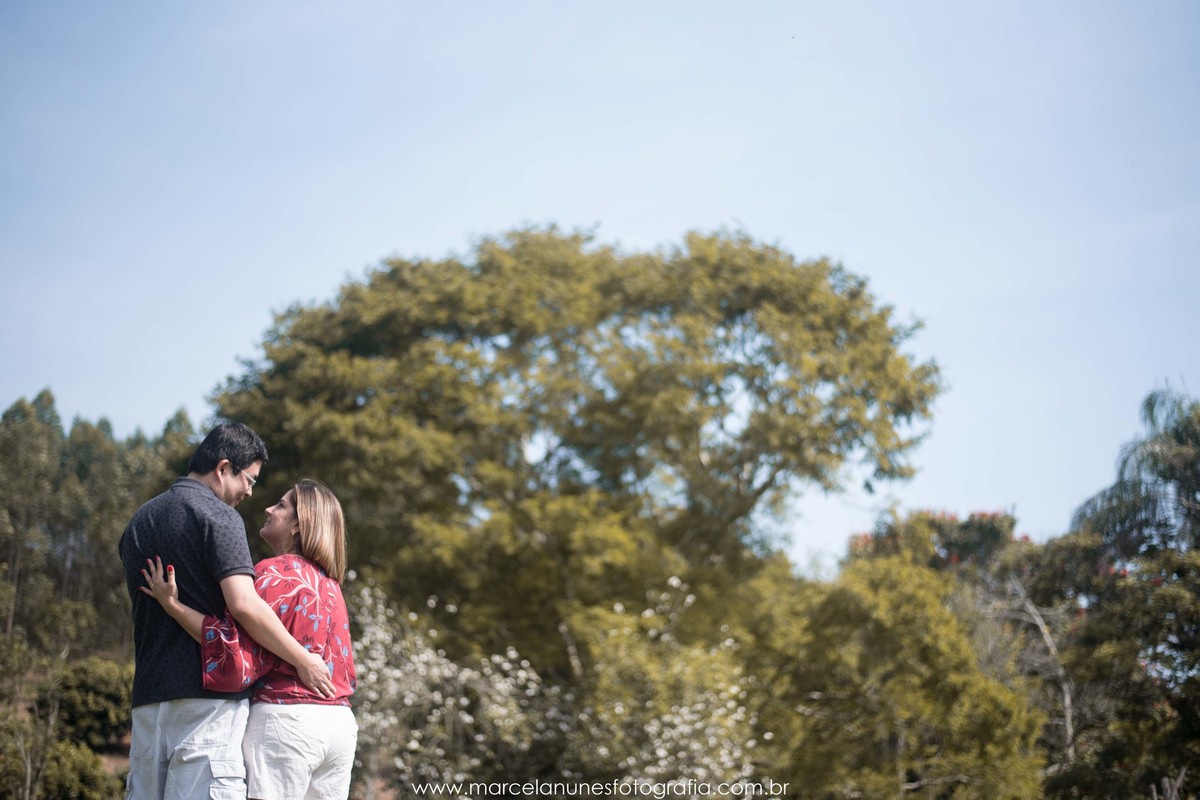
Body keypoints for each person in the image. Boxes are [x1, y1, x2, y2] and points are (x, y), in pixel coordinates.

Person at [120, 423, 335, 800]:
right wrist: (303, 660)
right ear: (223, 469)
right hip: (206, 705)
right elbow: (244, 603)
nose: (251, 493)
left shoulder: (138, 522)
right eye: (248, 480)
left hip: (149, 700)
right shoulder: (218, 517)